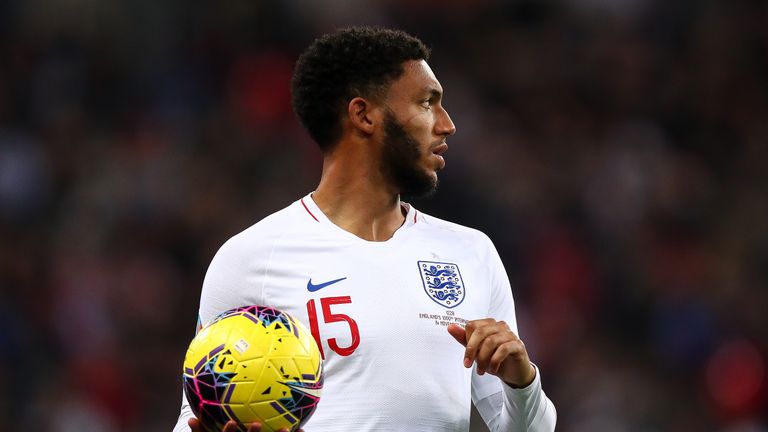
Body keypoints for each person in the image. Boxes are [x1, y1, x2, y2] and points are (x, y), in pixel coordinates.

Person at [173, 26, 556, 432]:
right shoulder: (252, 257)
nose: (447, 125)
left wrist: (522, 381)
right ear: (364, 115)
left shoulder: (470, 253)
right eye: (428, 103)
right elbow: (194, 414)